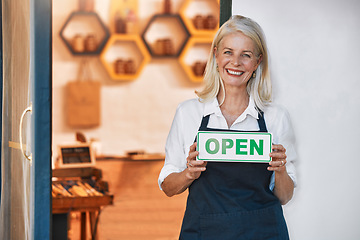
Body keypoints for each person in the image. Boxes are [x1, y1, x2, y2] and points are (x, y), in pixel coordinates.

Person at [158, 15, 296, 240]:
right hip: (205, 232)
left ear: (257, 62)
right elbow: (168, 187)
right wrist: (188, 173)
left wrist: (280, 169)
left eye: (246, 55)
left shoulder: (275, 118)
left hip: (264, 232)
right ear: (215, 55)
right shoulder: (189, 113)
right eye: (228, 52)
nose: (236, 62)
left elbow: (285, 196)